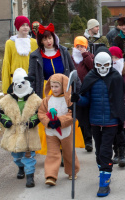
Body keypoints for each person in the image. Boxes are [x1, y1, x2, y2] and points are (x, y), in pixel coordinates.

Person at [74, 47, 125, 197]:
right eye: (99, 66)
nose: (102, 69)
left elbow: (120, 100)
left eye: (105, 66)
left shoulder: (116, 77)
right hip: (95, 121)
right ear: (95, 64)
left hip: (111, 121)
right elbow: (86, 100)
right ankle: (103, 169)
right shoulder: (91, 77)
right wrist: (78, 99)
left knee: (105, 150)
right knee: (98, 151)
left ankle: (104, 182)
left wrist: (121, 118)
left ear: (110, 64)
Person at [28, 23, 84, 155]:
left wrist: (79, 88)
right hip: (46, 90)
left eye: (50, 38)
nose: (48, 41)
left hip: (64, 89)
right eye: (44, 39)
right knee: (49, 118)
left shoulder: (63, 51)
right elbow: (32, 76)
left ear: (54, 38)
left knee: (65, 117)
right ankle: (53, 150)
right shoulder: (35, 56)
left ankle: (66, 150)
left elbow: (72, 70)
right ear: (40, 41)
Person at [0, 68, 42, 188]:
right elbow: (2, 113)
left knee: (29, 155)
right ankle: (20, 167)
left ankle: (30, 176)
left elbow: (39, 113)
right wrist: (6, 121)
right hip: (14, 131)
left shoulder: (35, 99)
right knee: (17, 155)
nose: (20, 86)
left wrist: (33, 122)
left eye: (22, 83)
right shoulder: (7, 100)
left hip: (28, 132)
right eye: (17, 84)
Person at [38, 74, 80, 186]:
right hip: (51, 132)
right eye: (52, 86)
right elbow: (41, 113)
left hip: (66, 131)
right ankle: (51, 175)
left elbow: (73, 114)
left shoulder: (69, 100)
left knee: (68, 151)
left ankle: (72, 171)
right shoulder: (46, 100)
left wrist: (60, 121)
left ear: (64, 86)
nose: (54, 89)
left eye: (56, 86)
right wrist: (48, 122)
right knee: (52, 153)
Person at [2, 16, 38, 94]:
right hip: (15, 82)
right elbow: (6, 64)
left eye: (27, 25)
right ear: (18, 27)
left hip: (30, 82)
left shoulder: (34, 43)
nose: (25, 27)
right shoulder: (10, 43)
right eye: (22, 25)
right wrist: (6, 88)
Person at [109, 46, 125, 167]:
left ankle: (122, 154)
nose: (114, 60)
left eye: (116, 57)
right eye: (111, 57)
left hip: (123, 105)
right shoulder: (106, 71)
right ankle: (115, 153)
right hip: (111, 105)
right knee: (113, 130)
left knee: (122, 131)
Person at [72, 36, 94, 153]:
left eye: (82, 46)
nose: (80, 49)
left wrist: (85, 55)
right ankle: (77, 140)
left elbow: (92, 67)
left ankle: (88, 140)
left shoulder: (89, 57)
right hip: (74, 90)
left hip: (86, 90)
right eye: (78, 46)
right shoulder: (71, 58)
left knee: (85, 116)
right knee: (77, 116)